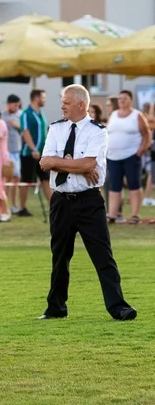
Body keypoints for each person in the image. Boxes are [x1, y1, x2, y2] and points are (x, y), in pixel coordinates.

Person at [38, 84, 136, 322]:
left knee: (103, 256)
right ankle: (56, 308)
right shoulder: (55, 128)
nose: (61, 106)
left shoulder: (98, 131)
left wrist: (62, 162)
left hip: (89, 202)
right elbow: (44, 162)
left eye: (66, 102)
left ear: (81, 104)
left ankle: (118, 307)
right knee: (59, 257)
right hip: (61, 201)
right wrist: (78, 164)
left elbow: (88, 165)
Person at [105, 90, 151, 224]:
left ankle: (135, 215)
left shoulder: (137, 115)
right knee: (114, 186)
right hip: (113, 157)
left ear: (131, 100)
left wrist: (141, 150)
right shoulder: (113, 115)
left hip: (131, 155)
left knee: (133, 184)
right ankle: (112, 215)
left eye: (125, 98)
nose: (122, 101)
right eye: (120, 98)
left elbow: (146, 134)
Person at [18, 89, 51, 216]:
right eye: (43, 97)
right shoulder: (26, 114)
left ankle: (52, 205)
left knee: (45, 179)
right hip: (29, 153)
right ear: (36, 98)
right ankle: (22, 207)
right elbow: (25, 131)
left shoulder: (41, 113)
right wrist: (33, 149)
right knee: (26, 181)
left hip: (42, 153)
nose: (44, 100)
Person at [1, 95, 22, 214]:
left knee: (16, 179)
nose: (17, 107)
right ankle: (6, 205)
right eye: (15, 105)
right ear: (9, 104)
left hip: (16, 151)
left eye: (18, 105)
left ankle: (14, 204)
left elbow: (23, 129)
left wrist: (16, 126)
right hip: (7, 152)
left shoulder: (19, 115)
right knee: (9, 179)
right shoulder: (2, 116)